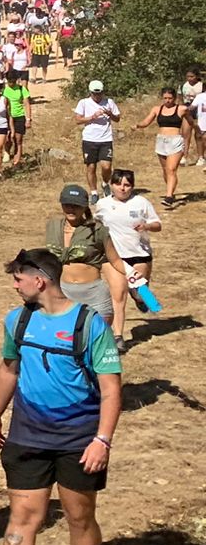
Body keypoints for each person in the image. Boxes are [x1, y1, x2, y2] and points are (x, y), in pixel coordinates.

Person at [0, 249, 122, 545]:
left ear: (39, 280)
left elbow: (111, 389)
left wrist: (102, 440)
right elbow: (9, 369)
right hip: (28, 436)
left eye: (18, 278)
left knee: (79, 517)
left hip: (79, 439)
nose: (14, 285)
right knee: (23, 516)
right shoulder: (17, 320)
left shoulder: (89, 324)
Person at [50, 184, 128, 347]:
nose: (71, 209)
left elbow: (114, 260)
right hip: (64, 293)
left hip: (94, 295)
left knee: (96, 342)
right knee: (66, 344)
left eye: (76, 205)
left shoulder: (97, 229)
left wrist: (135, 278)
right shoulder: (53, 227)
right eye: (67, 204)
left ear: (84, 206)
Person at [95, 169, 163, 297]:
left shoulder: (141, 202)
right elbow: (96, 225)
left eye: (127, 185)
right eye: (118, 184)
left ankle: (147, 303)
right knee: (118, 293)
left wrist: (146, 226)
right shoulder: (103, 204)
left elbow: (158, 225)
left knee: (141, 295)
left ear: (132, 186)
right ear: (111, 185)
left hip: (139, 254)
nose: (122, 188)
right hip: (114, 256)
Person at [74, 80, 121, 193]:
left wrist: (110, 114)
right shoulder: (83, 103)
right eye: (95, 94)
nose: (97, 96)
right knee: (91, 167)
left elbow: (117, 119)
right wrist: (92, 117)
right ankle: (94, 192)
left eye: (99, 93)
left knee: (106, 167)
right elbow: (78, 120)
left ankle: (105, 183)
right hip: (89, 139)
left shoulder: (109, 102)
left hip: (105, 139)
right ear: (90, 93)